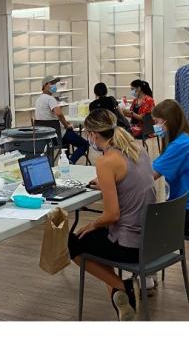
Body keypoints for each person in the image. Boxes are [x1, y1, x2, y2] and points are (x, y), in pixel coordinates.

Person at [68, 109, 156, 321]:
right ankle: (120, 298)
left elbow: (112, 215)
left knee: (75, 243)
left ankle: (122, 287)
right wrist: (107, 185)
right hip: (153, 239)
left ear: (94, 135)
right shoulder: (138, 150)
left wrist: (93, 224)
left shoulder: (106, 161)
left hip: (130, 245)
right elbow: (132, 182)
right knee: (95, 241)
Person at [150, 99, 189, 235]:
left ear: (168, 121)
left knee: (144, 223)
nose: (155, 126)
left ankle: (161, 255)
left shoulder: (179, 145)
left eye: (156, 122)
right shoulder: (187, 139)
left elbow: (150, 175)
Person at [35, 78, 90, 163]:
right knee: (84, 144)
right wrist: (66, 125)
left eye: (55, 83)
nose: (54, 85)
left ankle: (66, 159)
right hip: (58, 135)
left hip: (46, 136)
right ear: (45, 85)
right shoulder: (50, 99)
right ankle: (70, 162)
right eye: (51, 83)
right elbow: (59, 113)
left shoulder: (38, 100)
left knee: (66, 142)